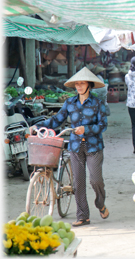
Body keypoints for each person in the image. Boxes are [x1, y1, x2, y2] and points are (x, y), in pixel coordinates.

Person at [30, 67, 108, 227]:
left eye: (82, 83)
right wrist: (38, 126)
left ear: (89, 85)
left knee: (95, 180)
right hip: (75, 146)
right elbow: (57, 120)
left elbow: (103, 125)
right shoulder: (69, 103)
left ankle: (100, 203)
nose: (79, 86)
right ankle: (83, 216)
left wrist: (87, 129)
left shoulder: (97, 103)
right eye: (77, 84)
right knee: (78, 183)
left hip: (94, 147)